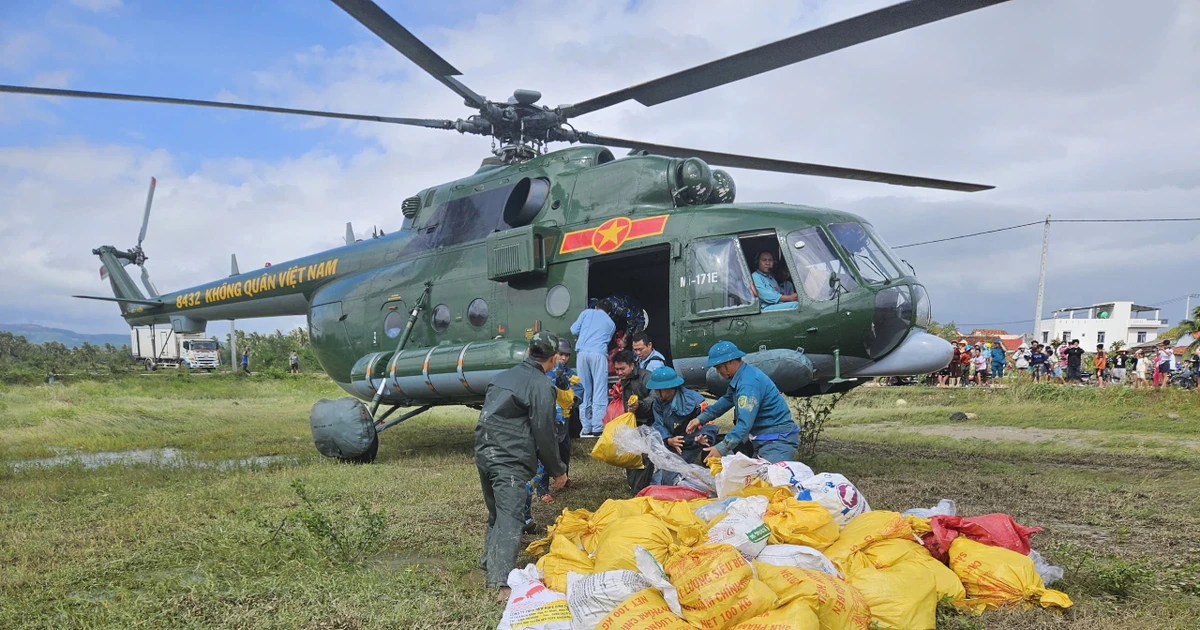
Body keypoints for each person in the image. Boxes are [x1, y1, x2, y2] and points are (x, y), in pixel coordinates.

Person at [474, 332, 567, 600]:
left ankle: (488, 560)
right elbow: (544, 432)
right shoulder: (540, 385)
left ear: (528, 351)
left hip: (484, 452)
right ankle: (501, 581)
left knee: (497, 512)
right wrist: (557, 470)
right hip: (508, 460)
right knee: (511, 517)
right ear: (551, 360)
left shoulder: (502, 377)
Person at [686, 340, 799, 463]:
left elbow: (744, 425)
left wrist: (721, 448)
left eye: (718, 367)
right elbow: (726, 400)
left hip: (776, 441)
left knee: (772, 480)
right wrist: (700, 419)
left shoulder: (748, 384)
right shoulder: (742, 377)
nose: (718, 372)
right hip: (764, 439)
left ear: (729, 362)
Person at [647, 366, 716, 485]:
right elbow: (658, 424)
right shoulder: (658, 403)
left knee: (672, 476)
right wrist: (668, 439)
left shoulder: (696, 401)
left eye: (659, 390)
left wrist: (703, 437)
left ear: (670, 387)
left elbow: (709, 423)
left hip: (690, 442)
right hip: (670, 442)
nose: (657, 393)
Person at [611, 349, 656, 494]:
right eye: (617, 369)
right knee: (630, 455)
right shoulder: (624, 380)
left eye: (622, 368)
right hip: (632, 424)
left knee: (645, 458)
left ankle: (639, 491)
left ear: (632, 365)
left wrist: (640, 405)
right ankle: (634, 488)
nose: (619, 372)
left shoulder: (646, 377)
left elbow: (654, 398)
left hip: (649, 423)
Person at [570, 300, 616, 437]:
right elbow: (607, 339)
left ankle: (586, 426)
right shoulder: (611, 323)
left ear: (596, 307)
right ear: (609, 313)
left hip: (582, 353)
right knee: (600, 389)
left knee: (585, 390)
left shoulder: (586, 313)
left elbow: (573, 330)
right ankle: (597, 426)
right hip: (598, 354)